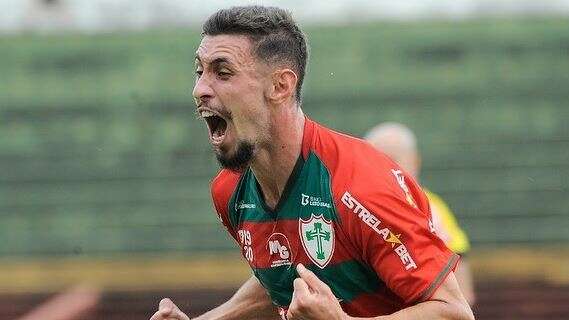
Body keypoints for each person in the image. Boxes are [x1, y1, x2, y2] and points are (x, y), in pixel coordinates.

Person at [151, 6, 474, 320]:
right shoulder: (230, 191)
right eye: (199, 71)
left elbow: (454, 312)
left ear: (280, 86)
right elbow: (286, 276)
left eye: (222, 72)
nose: (199, 89)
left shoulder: (359, 188)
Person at [364, 122, 476, 306]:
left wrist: (456, 306)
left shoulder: (433, 210)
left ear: (415, 161)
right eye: (377, 161)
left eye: (393, 160)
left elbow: (460, 272)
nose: (386, 170)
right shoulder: (355, 206)